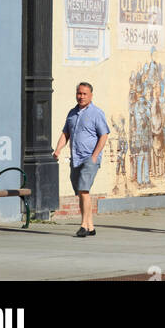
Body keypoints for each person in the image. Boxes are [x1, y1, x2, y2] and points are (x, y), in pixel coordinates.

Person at [53, 81, 110, 237]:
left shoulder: (97, 113)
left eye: (85, 94)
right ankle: (91, 226)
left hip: (89, 158)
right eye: (79, 93)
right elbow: (66, 134)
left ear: (91, 95)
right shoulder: (72, 113)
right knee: (81, 192)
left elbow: (104, 135)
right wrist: (58, 149)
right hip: (75, 158)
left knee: (84, 189)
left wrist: (94, 156)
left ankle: (83, 225)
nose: (81, 96)